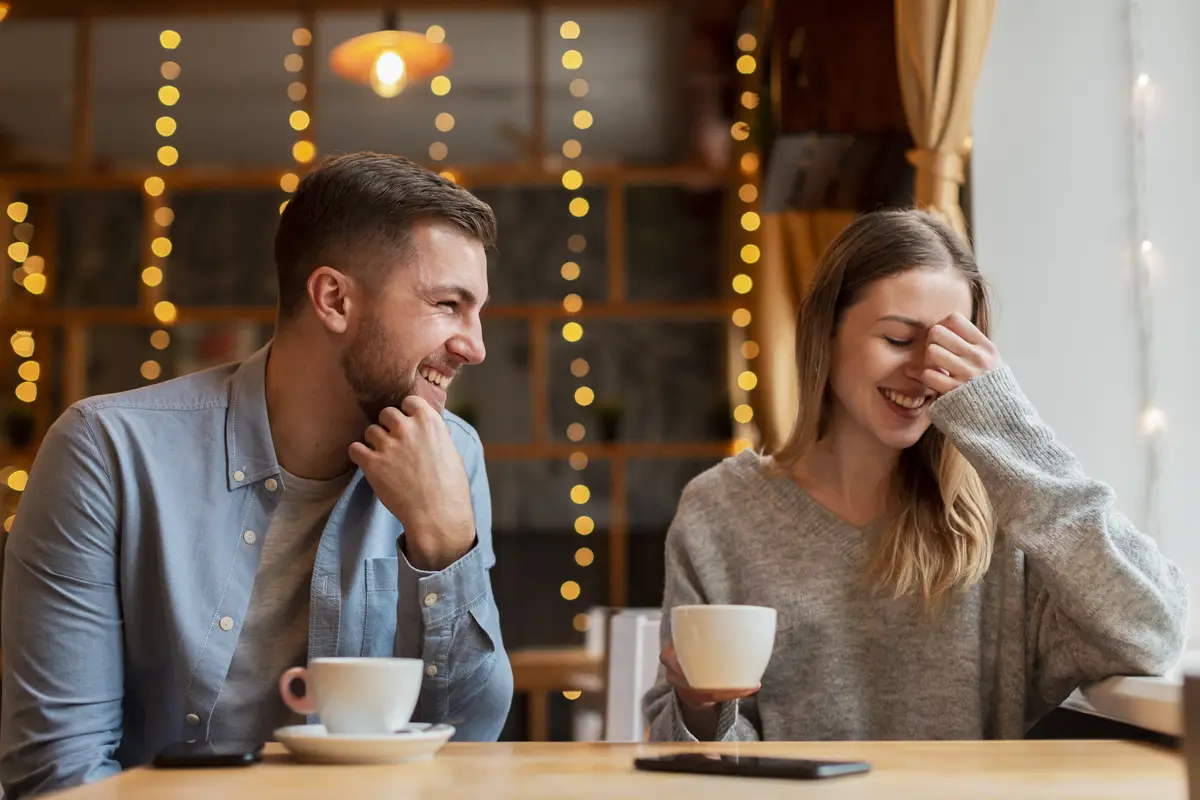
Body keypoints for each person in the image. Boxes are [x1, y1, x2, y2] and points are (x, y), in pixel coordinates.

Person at [0, 152, 513, 797]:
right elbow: (59, 774)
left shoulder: (453, 456)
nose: (475, 345)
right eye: (448, 304)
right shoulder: (105, 453)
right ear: (333, 299)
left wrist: (446, 548)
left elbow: (467, 742)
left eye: (478, 312)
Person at [643, 208, 1189, 742]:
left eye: (949, 349)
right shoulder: (721, 512)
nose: (925, 372)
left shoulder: (1003, 521)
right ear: (825, 336)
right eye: (899, 340)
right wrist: (697, 709)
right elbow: (690, 754)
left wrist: (1004, 425)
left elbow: (1152, 630)